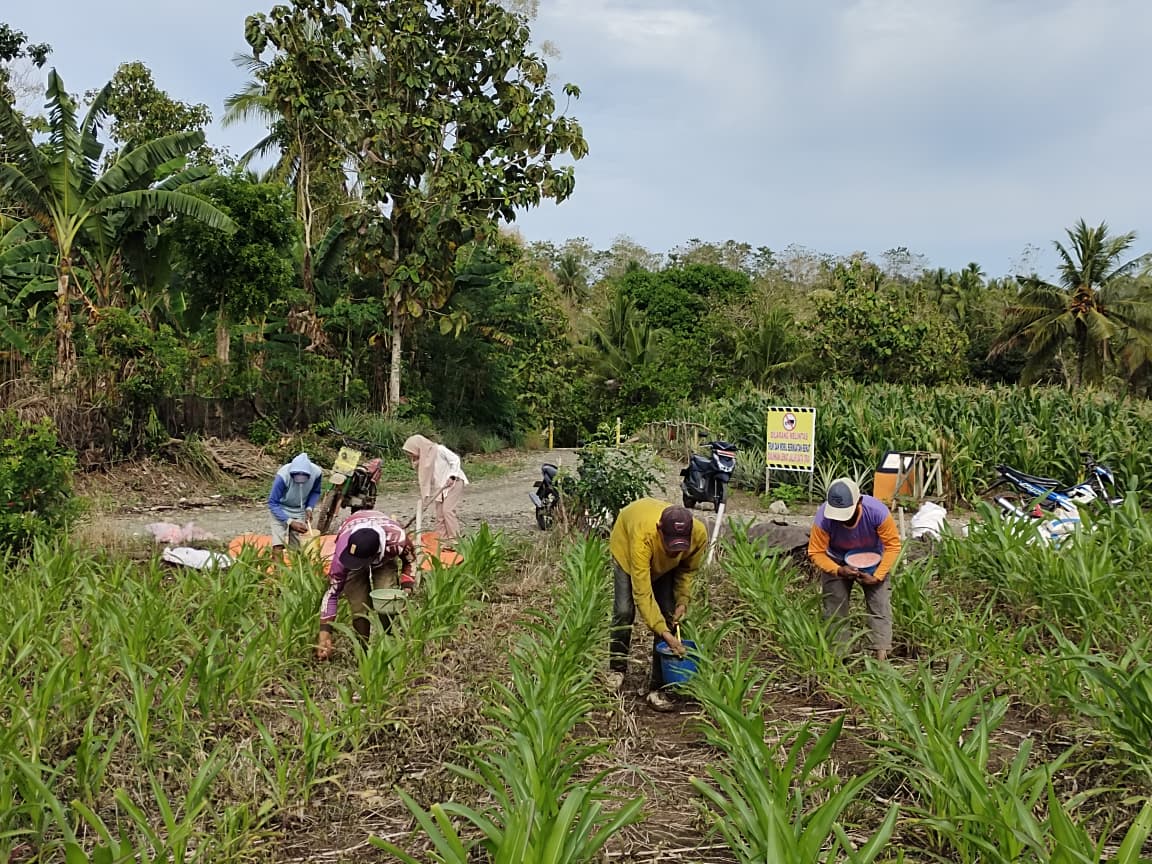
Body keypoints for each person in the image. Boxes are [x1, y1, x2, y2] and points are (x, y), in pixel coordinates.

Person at [607, 498, 707, 712]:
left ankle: (657, 687)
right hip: (626, 547)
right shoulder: (643, 538)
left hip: (663, 564)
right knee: (624, 610)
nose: (675, 552)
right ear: (659, 529)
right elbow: (643, 594)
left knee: (669, 613)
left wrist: (683, 600)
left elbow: (687, 570)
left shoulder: (698, 535)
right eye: (671, 545)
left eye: (680, 546)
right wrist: (664, 633)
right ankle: (617, 668)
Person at [807, 478, 902, 661]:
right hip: (836, 559)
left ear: (858, 502)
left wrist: (878, 575)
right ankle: (838, 657)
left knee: (879, 605)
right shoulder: (823, 518)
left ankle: (880, 656)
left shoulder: (877, 512)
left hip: (874, 560)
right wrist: (838, 570)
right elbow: (816, 551)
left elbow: (892, 545)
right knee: (835, 608)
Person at [316, 510, 416, 659]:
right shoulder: (343, 554)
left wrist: (407, 586)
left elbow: (411, 561)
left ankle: (386, 643)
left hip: (384, 557)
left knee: (386, 597)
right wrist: (324, 634)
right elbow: (332, 593)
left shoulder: (397, 541)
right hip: (353, 537)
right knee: (359, 605)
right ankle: (362, 650)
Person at [401, 435, 468, 543]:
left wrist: (452, 476)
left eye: (411, 452)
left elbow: (455, 460)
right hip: (441, 486)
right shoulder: (424, 460)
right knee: (439, 515)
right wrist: (426, 498)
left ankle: (455, 540)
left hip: (454, 482)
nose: (411, 455)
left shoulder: (439, 450)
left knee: (447, 510)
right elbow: (427, 479)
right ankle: (443, 540)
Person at [268, 453, 324, 550]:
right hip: (281, 508)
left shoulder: (317, 473)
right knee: (278, 545)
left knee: (297, 545)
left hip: (299, 510)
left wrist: (309, 507)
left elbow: (315, 491)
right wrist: (290, 522)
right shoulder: (283, 476)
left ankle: (297, 563)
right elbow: (273, 503)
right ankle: (278, 564)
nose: (300, 481)